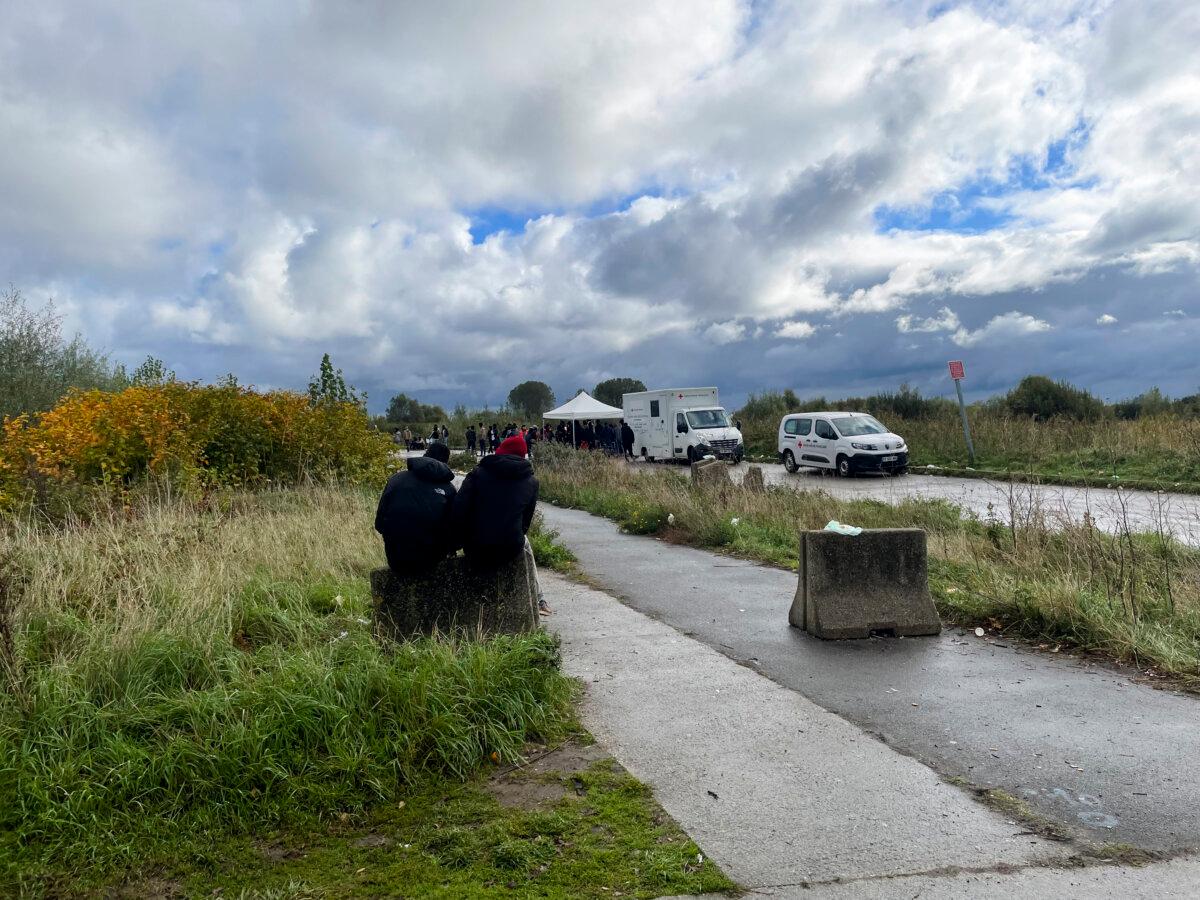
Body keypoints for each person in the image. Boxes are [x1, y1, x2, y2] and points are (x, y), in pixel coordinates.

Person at [452, 433, 549, 614]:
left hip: (476, 546)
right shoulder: (531, 482)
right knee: (525, 543)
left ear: (500, 452)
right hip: (510, 547)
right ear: (523, 456)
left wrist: (461, 539)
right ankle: (539, 600)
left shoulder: (478, 474)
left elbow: (459, 510)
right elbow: (525, 523)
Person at [374, 443, 457, 574]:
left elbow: (379, 524)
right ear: (445, 462)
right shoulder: (448, 488)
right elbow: (455, 528)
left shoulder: (396, 479)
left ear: (425, 455)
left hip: (397, 561)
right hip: (434, 562)